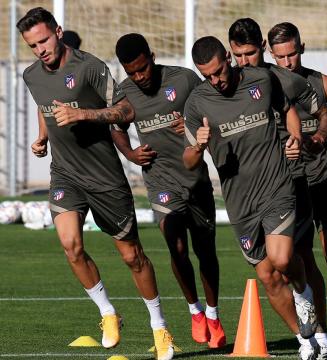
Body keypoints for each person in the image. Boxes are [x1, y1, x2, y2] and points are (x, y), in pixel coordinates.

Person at [18, 8, 174, 360]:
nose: (40, 49)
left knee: (132, 256)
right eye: (32, 45)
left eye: (43, 40)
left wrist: (83, 114)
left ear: (58, 32)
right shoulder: (31, 75)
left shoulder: (90, 67)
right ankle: (107, 312)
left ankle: (159, 325)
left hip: (105, 178)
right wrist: (42, 138)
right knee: (70, 245)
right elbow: (47, 109)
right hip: (66, 175)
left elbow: (126, 111)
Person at [182, 36, 320, 360]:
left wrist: (296, 138)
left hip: (276, 187)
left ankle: (304, 293)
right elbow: (188, 162)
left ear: (228, 58)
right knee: (267, 276)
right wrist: (198, 146)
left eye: (218, 72)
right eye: (207, 76)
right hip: (239, 202)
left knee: (283, 259)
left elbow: (288, 112)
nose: (215, 81)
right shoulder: (197, 103)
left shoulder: (261, 79)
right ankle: (304, 339)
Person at [228, 18, 327, 359]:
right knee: (267, 274)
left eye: (249, 53)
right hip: (247, 194)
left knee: (299, 258)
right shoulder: (222, 87)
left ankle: (322, 332)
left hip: (290, 182)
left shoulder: (284, 80)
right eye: (237, 55)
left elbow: (326, 114)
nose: (243, 61)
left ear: (261, 47)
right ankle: (305, 340)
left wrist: (311, 138)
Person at [112, 33, 225, 349]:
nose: (139, 76)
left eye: (143, 68)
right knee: (176, 246)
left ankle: (213, 314)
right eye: (131, 71)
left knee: (205, 252)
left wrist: (191, 127)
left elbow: (213, 110)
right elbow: (116, 129)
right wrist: (131, 154)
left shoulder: (184, 79)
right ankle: (195, 311)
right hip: (160, 184)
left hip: (196, 180)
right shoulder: (125, 94)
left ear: (152, 55)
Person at [267, 21, 327, 351]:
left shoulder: (320, 82)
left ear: (301, 48)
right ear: (270, 53)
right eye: (281, 56)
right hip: (289, 184)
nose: (288, 62)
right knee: (303, 257)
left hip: (322, 179)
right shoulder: (264, 86)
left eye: (292, 54)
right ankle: (318, 330)